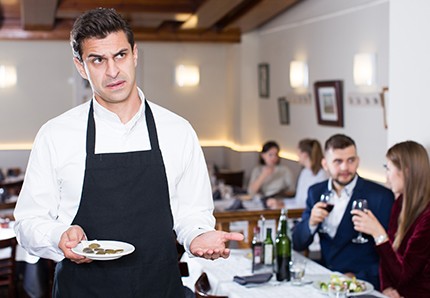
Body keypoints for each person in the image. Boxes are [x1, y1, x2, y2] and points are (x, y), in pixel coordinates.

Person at [13, 8, 243, 298]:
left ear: (135, 54)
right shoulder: (55, 134)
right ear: (81, 66)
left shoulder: (178, 130)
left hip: (159, 288)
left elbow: (191, 212)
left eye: (120, 55)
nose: (112, 71)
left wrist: (198, 234)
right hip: (82, 290)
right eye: (98, 60)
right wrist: (58, 236)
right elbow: (28, 223)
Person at [292, 134, 394, 289]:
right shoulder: (315, 192)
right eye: (338, 161)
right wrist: (311, 222)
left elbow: (391, 253)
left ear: (358, 161)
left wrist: (356, 278)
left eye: (351, 160)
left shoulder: (380, 196)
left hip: (363, 284)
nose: (345, 168)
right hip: (326, 280)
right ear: (325, 164)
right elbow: (298, 243)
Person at [352, 141, 430, 297]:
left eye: (388, 168)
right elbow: (387, 259)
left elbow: (404, 274)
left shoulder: (427, 216)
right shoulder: (399, 203)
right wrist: (386, 287)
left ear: (406, 172)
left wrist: (379, 235)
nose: (386, 176)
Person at [267, 138, 328, 209]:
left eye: (298, 153)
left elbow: (308, 206)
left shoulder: (321, 176)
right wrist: (281, 202)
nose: (297, 156)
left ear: (304, 155)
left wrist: (283, 206)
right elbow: (298, 201)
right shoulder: (305, 172)